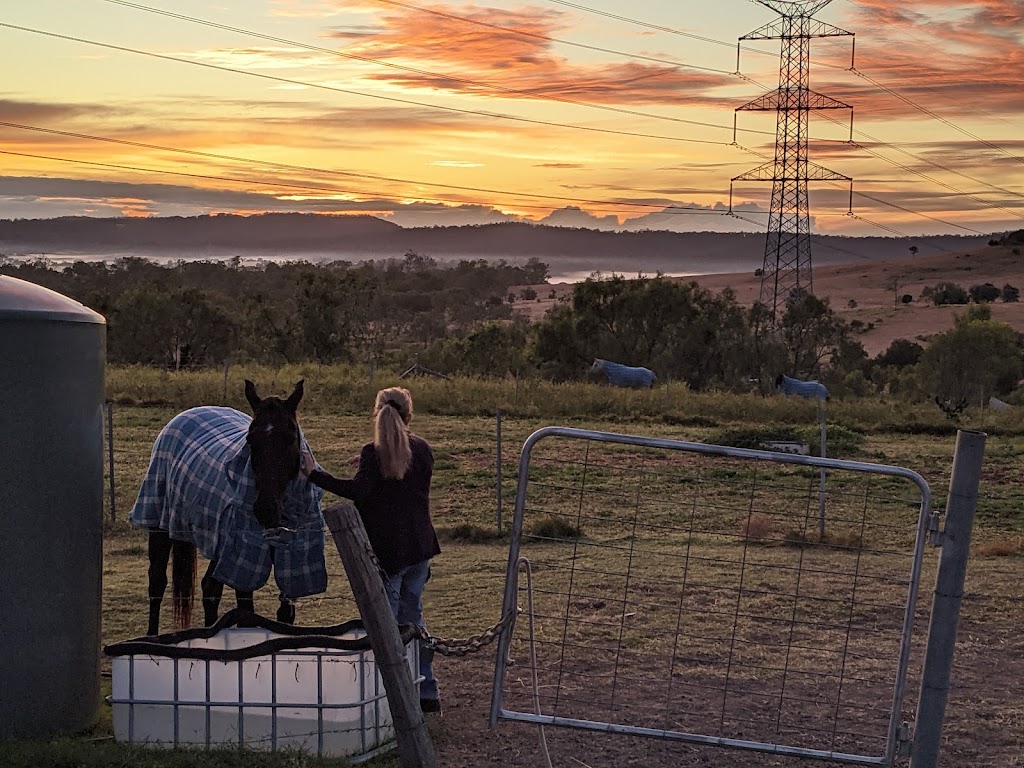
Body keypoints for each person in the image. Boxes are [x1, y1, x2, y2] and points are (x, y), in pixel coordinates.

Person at [300, 386, 442, 713]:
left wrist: (314, 474)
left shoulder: (374, 453)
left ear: (376, 414)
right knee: (413, 618)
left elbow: (359, 492)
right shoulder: (423, 449)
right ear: (408, 415)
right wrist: (366, 462)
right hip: (420, 549)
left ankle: (388, 696)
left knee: (387, 626)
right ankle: (426, 691)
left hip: (388, 554)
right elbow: (400, 484)